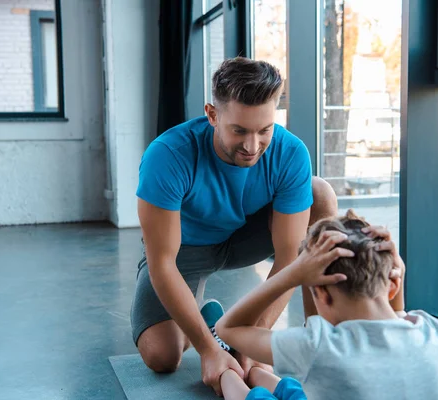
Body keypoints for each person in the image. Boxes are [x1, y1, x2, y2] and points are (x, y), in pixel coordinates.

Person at [132, 57, 339, 396]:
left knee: (320, 195)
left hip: (246, 237)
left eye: (264, 130)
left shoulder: (290, 153)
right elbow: (162, 263)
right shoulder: (168, 155)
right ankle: (209, 322)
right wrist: (209, 350)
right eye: (239, 130)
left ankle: (321, 339)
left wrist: (253, 344)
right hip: (187, 247)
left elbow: (291, 259)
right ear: (213, 114)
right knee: (161, 355)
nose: (252, 146)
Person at [215, 210, 438, 400]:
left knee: (257, 397)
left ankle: (227, 372)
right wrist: (396, 274)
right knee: (296, 387)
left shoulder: (320, 347)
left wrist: (293, 273)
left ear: (321, 293)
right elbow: (396, 316)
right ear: (393, 284)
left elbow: (229, 328)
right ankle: (257, 372)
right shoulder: (435, 333)